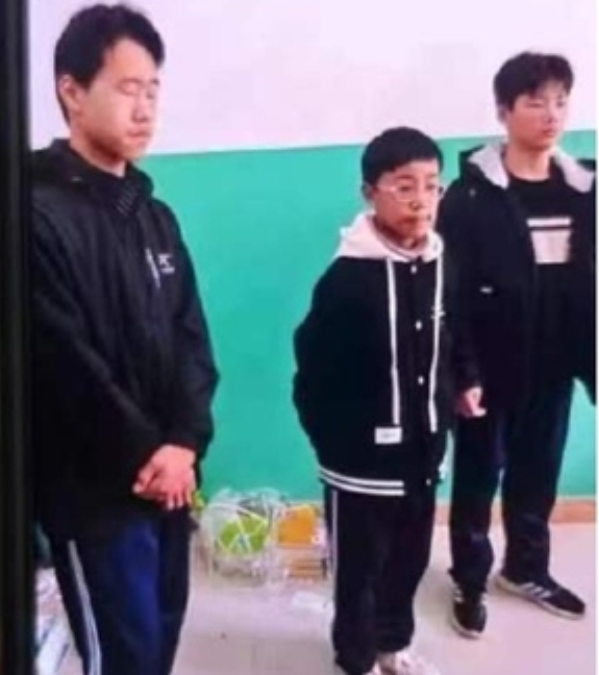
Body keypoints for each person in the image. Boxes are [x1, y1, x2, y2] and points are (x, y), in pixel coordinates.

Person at [31, 5, 219, 675]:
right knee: (123, 655)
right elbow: (64, 363)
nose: (144, 109)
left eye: (153, 90)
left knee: (161, 638)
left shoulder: (154, 215)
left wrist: (185, 442)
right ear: (72, 91)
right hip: (95, 492)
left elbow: (191, 339)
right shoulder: (36, 214)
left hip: (169, 481)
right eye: (127, 88)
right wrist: (150, 453)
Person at [293, 127, 476, 675]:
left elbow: (455, 333)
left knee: (409, 560)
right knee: (359, 570)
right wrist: (334, 443)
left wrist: (464, 384)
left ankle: (392, 644)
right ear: (369, 193)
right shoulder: (346, 279)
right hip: (359, 465)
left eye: (432, 185)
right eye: (404, 186)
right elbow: (313, 369)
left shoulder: (442, 263)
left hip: (424, 453)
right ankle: (355, 658)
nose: (421, 200)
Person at [438, 51, 596, 639]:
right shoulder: (471, 197)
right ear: (504, 111)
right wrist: (463, 372)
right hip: (491, 367)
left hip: (555, 366)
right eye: (535, 102)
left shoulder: (585, 189)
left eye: (560, 101)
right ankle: (469, 579)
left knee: (538, 474)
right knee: (478, 479)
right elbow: (451, 293)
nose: (551, 114)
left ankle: (526, 569)